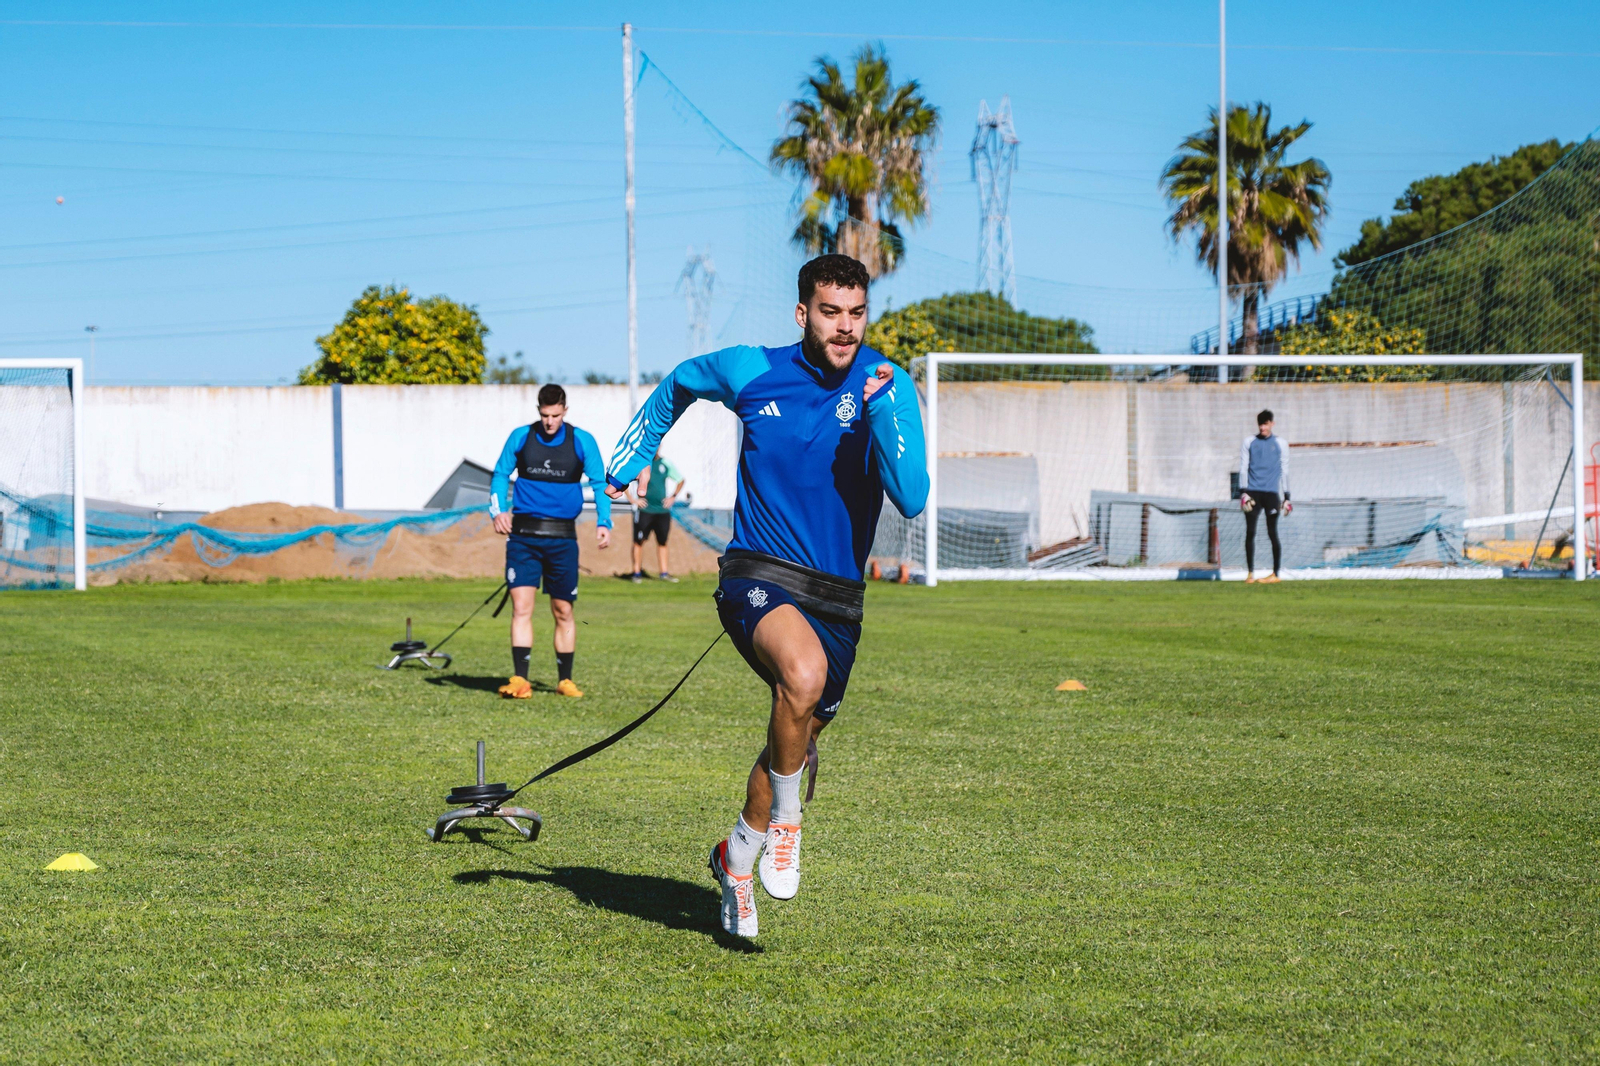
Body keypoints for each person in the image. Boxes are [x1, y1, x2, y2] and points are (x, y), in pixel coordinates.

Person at [605, 254, 928, 937]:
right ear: (802, 312)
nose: (844, 329)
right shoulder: (753, 368)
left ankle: (736, 856)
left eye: (857, 313)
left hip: (838, 595)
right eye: (830, 312)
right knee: (801, 678)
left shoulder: (885, 382)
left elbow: (913, 495)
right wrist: (635, 452)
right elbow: (680, 383)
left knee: (797, 732)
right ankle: (789, 822)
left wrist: (880, 417)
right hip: (758, 571)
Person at [489, 383, 612, 698]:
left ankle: (565, 680)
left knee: (563, 611)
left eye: (555, 415)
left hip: (562, 539)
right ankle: (520, 680)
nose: (549, 422)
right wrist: (498, 510)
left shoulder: (581, 441)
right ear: (538, 411)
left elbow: (600, 483)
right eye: (544, 415)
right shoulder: (521, 437)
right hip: (523, 539)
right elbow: (500, 475)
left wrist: (604, 521)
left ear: (565, 411)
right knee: (521, 607)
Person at [1239, 408, 1291, 583]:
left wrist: (1287, 496)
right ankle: (1250, 574)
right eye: (1260, 424)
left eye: (1265, 424)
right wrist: (1243, 493)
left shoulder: (1281, 443)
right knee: (1250, 532)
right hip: (1253, 493)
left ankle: (1275, 574)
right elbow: (1244, 467)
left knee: (1272, 533)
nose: (1262, 428)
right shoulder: (1249, 442)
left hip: (1271, 494)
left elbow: (1285, 469)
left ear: (1272, 424)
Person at [629, 454, 686, 583]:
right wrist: (633, 499)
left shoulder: (665, 463)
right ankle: (636, 573)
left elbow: (680, 480)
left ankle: (664, 573)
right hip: (645, 510)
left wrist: (673, 496)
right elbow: (623, 480)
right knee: (639, 541)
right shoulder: (640, 462)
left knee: (663, 542)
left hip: (662, 511)